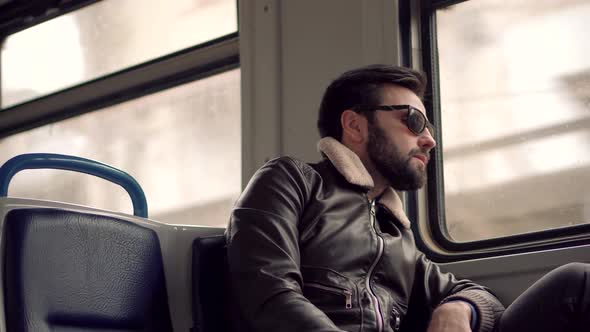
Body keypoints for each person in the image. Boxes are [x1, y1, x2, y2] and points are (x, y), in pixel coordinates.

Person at [225, 64, 590, 332]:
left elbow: (474, 292)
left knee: (576, 284)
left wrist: (458, 309)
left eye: (428, 127)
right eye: (414, 121)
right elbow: (271, 294)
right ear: (355, 126)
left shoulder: (396, 233)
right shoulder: (292, 180)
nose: (429, 139)